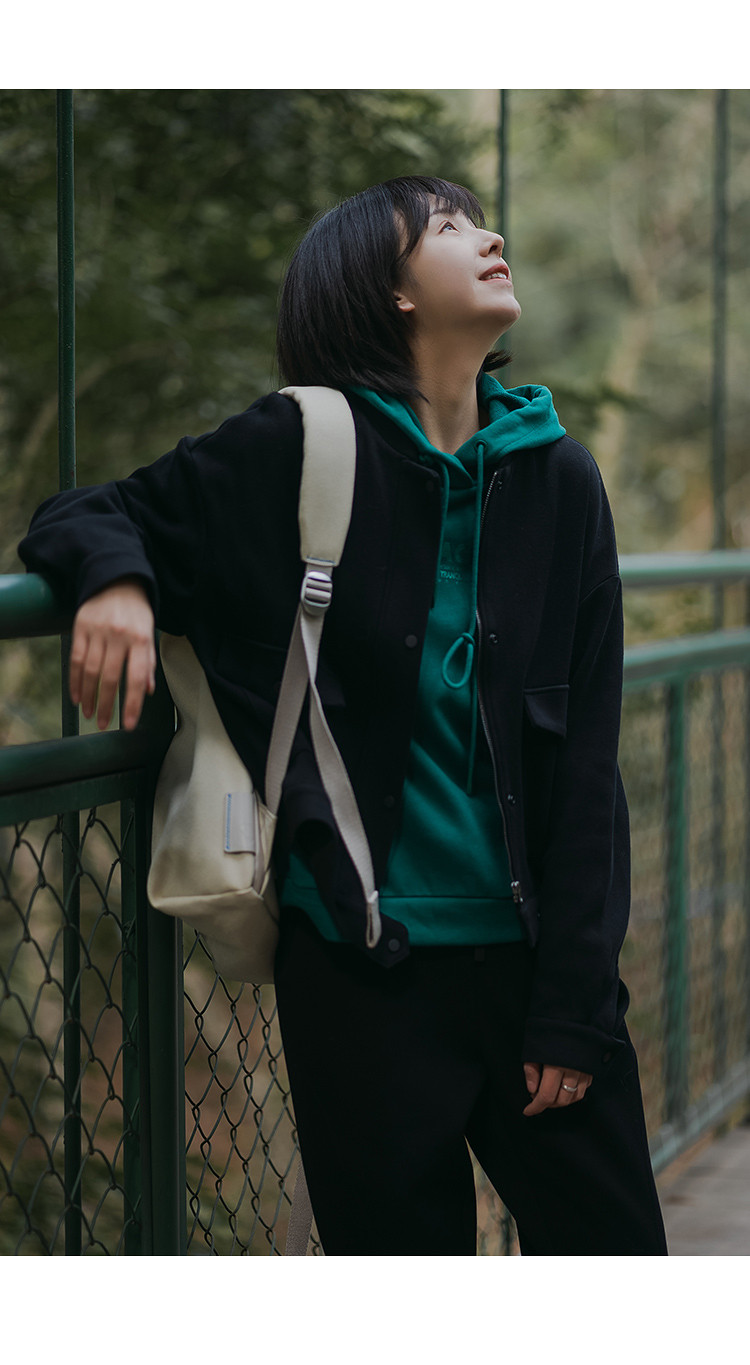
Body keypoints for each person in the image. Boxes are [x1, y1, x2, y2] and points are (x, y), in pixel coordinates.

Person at [19, 175, 668, 1256]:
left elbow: (589, 766)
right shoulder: (299, 447)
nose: (490, 236)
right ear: (388, 288)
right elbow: (90, 512)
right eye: (450, 227)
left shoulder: (561, 481)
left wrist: (577, 1002)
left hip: (536, 973)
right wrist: (119, 582)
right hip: (362, 980)